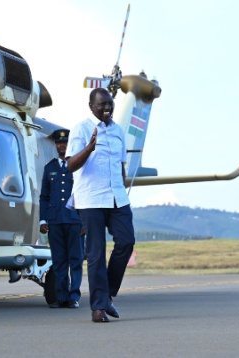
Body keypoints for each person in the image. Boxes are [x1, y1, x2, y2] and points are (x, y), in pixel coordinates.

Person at [66, 87, 135, 323]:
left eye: (110, 105)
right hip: (91, 198)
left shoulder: (118, 132)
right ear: (91, 106)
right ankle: (98, 308)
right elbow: (71, 165)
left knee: (126, 241)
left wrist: (122, 188)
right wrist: (89, 148)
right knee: (96, 253)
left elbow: (121, 166)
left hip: (117, 196)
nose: (107, 108)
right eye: (102, 105)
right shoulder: (81, 129)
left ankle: (107, 296)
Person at [40, 129, 84, 309]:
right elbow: (44, 196)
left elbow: (84, 193)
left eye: (65, 143)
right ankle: (61, 297)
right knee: (59, 261)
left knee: (75, 260)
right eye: (59, 143)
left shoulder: (79, 166)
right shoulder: (49, 168)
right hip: (55, 221)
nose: (62, 145)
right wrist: (43, 220)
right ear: (56, 145)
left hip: (75, 221)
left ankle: (74, 296)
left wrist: (85, 221)